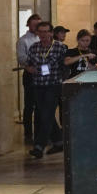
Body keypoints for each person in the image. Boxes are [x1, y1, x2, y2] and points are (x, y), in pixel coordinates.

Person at [25, 21, 67, 158]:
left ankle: (39, 146)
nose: (43, 34)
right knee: (45, 114)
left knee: (47, 114)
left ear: (51, 33)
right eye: (40, 32)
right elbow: (28, 64)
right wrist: (29, 69)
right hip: (38, 85)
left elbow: (64, 66)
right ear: (37, 33)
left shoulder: (60, 47)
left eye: (46, 31)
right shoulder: (33, 48)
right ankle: (59, 142)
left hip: (53, 85)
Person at [16, 13, 41, 143]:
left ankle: (38, 132)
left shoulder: (42, 39)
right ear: (28, 25)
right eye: (34, 24)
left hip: (42, 74)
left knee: (39, 105)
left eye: (39, 24)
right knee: (29, 105)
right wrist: (35, 61)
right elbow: (21, 58)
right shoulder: (23, 40)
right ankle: (28, 133)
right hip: (30, 74)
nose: (37, 27)